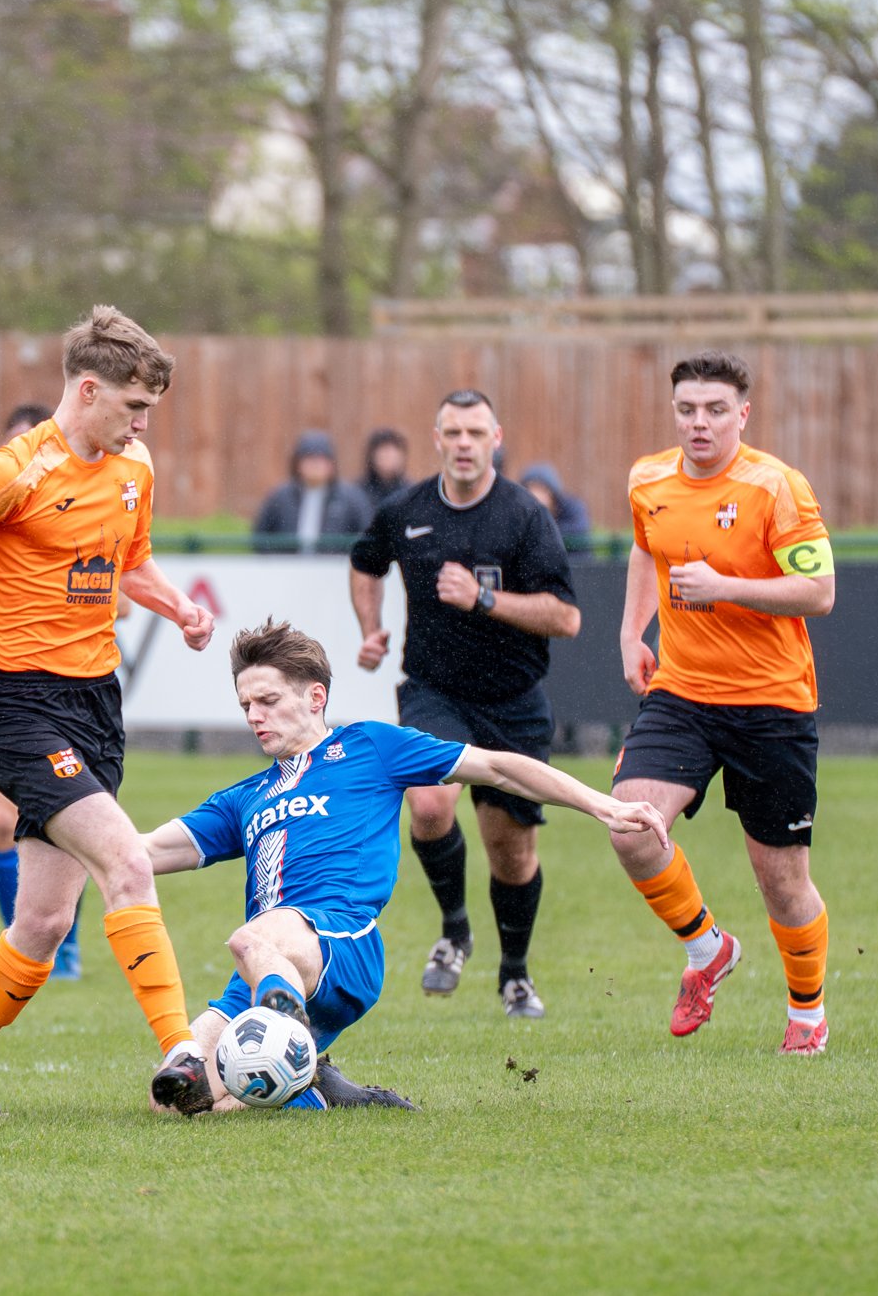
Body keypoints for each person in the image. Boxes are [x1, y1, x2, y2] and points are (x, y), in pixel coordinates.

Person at [0, 305, 218, 1115]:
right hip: (19, 706)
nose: (143, 425)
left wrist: (177, 607)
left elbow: (128, 564)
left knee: (42, 920)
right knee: (128, 864)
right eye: (134, 406)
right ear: (89, 389)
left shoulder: (133, 468)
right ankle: (183, 1055)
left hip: (96, 703)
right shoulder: (13, 472)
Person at [139, 619, 668, 1114]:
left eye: (268, 700)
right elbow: (141, 853)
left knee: (249, 937)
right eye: (246, 705)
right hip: (268, 966)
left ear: (315, 697)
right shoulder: (243, 798)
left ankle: (285, 1024)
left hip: (340, 942)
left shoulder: (369, 746)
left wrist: (604, 806)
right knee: (173, 1097)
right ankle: (315, 1088)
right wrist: (87, 829)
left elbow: (497, 768)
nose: (254, 715)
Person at [609, 350, 837, 1055]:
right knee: (630, 826)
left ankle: (807, 1013)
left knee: (782, 881)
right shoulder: (648, 478)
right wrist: (632, 631)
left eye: (714, 410)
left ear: (743, 413)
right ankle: (708, 948)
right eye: (686, 409)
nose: (699, 423)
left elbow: (820, 591)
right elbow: (647, 548)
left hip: (772, 704)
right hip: (682, 693)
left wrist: (726, 586)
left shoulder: (778, 488)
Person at [349, 389, 582, 1018]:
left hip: (513, 703)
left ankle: (515, 973)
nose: (463, 444)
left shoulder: (524, 516)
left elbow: (565, 617)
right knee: (428, 803)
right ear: (437, 439)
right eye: (452, 432)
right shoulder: (406, 509)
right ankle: (454, 932)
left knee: (510, 851)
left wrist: (484, 599)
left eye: (476, 433)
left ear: (495, 439)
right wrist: (370, 628)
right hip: (434, 692)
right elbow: (366, 562)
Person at [0, 402, 83, 981]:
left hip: (69, 689)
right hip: (1, 687)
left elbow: (117, 593)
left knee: (69, 820)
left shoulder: (77, 509)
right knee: (4, 821)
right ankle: (27, 944)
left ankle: (64, 944)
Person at [251, 431, 375, 553]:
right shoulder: (280, 498)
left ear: (332, 464)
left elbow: (365, 537)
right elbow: (261, 538)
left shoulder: (351, 499)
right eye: (310, 459)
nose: (315, 466)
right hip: (287, 564)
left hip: (336, 565)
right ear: (297, 464)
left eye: (321, 460)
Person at [519, 463, 594, 553]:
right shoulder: (522, 511)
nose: (537, 495)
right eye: (531, 489)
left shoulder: (573, 507)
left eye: (542, 489)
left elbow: (578, 531)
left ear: (552, 493)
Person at [358, 427, 410, 513]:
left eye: (394, 453)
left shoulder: (411, 492)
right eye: (385, 452)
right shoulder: (358, 492)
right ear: (372, 456)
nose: (390, 457)